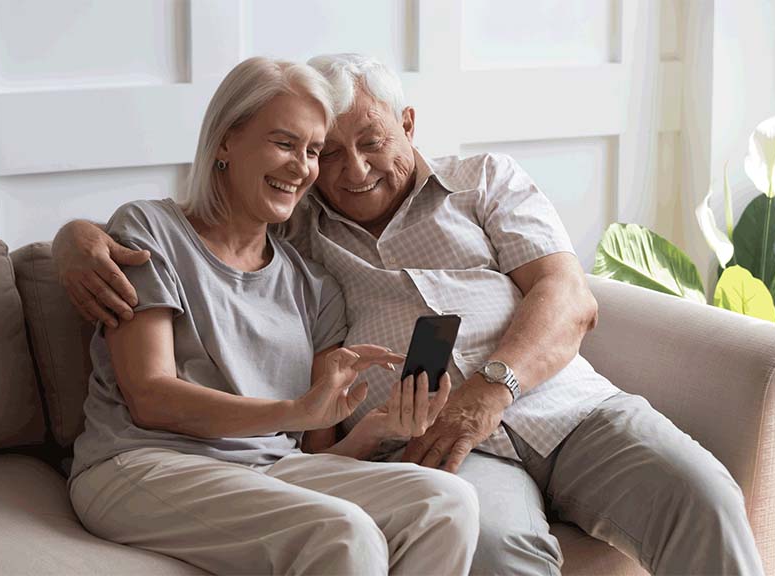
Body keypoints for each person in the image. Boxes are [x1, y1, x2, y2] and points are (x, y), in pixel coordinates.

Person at [56, 54, 765, 576]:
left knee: (702, 495)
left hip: (567, 409)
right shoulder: (300, 232)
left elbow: (569, 296)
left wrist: (490, 389)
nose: (348, 171)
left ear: (408, 123)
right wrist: (72, 240)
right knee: (487, 542)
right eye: (321, 153)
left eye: (370, 142)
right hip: (444, 451)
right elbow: (190, 228)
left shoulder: (483, 182)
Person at [63, 56, 480, 576]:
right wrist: (294, 411)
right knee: (344, 534)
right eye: (284, 144)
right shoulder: (150, 233)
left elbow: (315, 448)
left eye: (312, 151)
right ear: (224, 142)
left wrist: (375, 427)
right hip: (142, 464)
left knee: (446, 501)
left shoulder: (314, 285)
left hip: (271, 469)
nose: (302, 167)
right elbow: (149, 398)